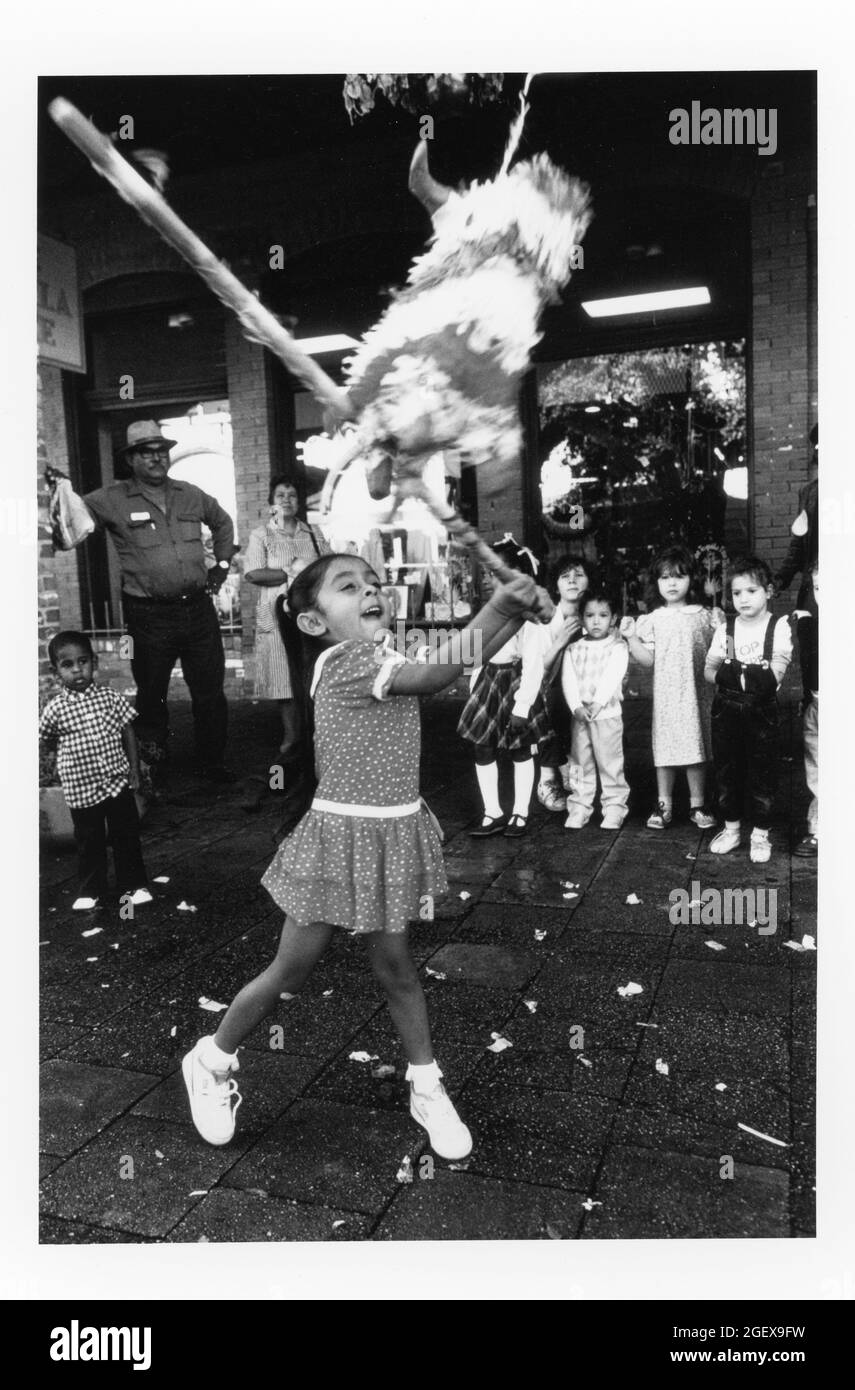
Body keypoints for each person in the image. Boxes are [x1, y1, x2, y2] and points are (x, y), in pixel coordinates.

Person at [181, 552, 545, 1156]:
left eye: (374, 583)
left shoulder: (381, 654)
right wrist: (505, 603)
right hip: (341, 841)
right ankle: (211, 1060)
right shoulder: (346, 662)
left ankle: (425, 1086)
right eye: (349, 587)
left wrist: (520, 613)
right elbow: (437, 677)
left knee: (397, 970)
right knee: (291, 971)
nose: (371, 591)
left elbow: (460, 659)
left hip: (387, 838)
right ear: (314, 623)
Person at [53, 420, 236, 785]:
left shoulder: (190, 493)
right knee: (151, 693)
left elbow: (223, 522)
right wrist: (58, 488)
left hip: (197, 610)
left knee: (210, 692)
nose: (157, 458)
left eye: (161, 450)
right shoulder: (111, 499)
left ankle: (211, 764)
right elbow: (70, 520)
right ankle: (153, 766)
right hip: (146, 617)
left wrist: (222, 567)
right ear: (131, 459)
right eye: (147, 452)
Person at [39, 631, 151, 912]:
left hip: (115, 781)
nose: (77, 669)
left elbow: (128, 730)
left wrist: (134, 769)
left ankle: (134, 884)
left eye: (83, 661)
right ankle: (92, 888)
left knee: (125, 834)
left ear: (94, 662)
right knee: (89, 839)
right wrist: (58, 767)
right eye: (68, 665)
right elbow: (47, 740)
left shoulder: (109, 698)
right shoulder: (55, 709)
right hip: (81, 786)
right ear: (56, 672)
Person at [458, 537, 554, 838]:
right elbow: (476, 654)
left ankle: (520, 813)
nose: (491, 580)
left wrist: (523, 705)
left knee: (519, 748)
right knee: (481, 746)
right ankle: (493, 811)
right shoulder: (486, 612)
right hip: (488, 683)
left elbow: (533, 664)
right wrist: (474, 688)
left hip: (514, 684)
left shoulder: (527, 618)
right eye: (489, 574)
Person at [621, 544, 721, 830]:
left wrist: (721, 624)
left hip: (697, 694)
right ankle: (663, 804)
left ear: (692, 579)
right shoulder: (652, 619)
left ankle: (697, 804)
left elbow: (720, 650)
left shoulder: (704, 615)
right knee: (664, 749)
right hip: (666, 696)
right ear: (656, 582)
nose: (672, 583)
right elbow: (647, 660)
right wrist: (631, 638)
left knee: (696, 746)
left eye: (679, 576)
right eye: (665, 577)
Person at [703, 555, 793, 863]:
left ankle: (760, 834)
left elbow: (775, 674)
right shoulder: (727, 630)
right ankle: (731, 828)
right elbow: (711, 670)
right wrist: (736, 674)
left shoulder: (776, 627)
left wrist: (744, 674)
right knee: (728, 770)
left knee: (762, 771)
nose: (743, 598)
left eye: (751, 591)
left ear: (768, 591)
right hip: (726, 708)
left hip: (761, 710)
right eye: (737, 593)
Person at [243, 478, 330, 767]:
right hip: (276, 616)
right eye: (280, 494)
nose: (287, 499)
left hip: (310, 616)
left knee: (313, 676)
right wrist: (293, 571)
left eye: (292, 494)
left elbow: (327, 567)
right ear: (271, 501)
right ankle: (290, 746)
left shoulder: (313, 533)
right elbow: (254, 573)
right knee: (284, 682)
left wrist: (305, 574)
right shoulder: (262, 534)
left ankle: (318, 743)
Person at [562, 589, 630, 830]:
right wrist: (576, 707)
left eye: (603, 615)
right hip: (580, 717)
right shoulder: (574, 648)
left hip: (607, 715)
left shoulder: (617, 646)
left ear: (613, 618)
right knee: (580, 764)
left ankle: (614, 807)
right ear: (582, 618)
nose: (596, 620)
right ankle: (579, 806)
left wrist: (599, 703)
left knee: (610, 763)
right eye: (590, 615)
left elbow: (614, 674)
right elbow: (568, 679)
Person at [536, 556, 596, 811]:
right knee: (552, 705)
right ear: (555, 586)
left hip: (585, 692)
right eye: (565, 576)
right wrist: (561, 640)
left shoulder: (593, 615)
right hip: (549, 689)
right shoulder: (546, 619)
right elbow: (539, 668)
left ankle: (576, 777)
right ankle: (548, 780)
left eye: (579, 574)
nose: (572, 580)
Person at [774, 424, 818, 704]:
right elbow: (797, 546)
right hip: (814, 591)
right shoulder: (809, 493)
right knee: (814, 663)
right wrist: (780, 580)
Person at [795, 564, 819, 856]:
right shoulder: (812, 622)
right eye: (817, 588)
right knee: (818, 766)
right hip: (818, 701)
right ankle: (818, 828)